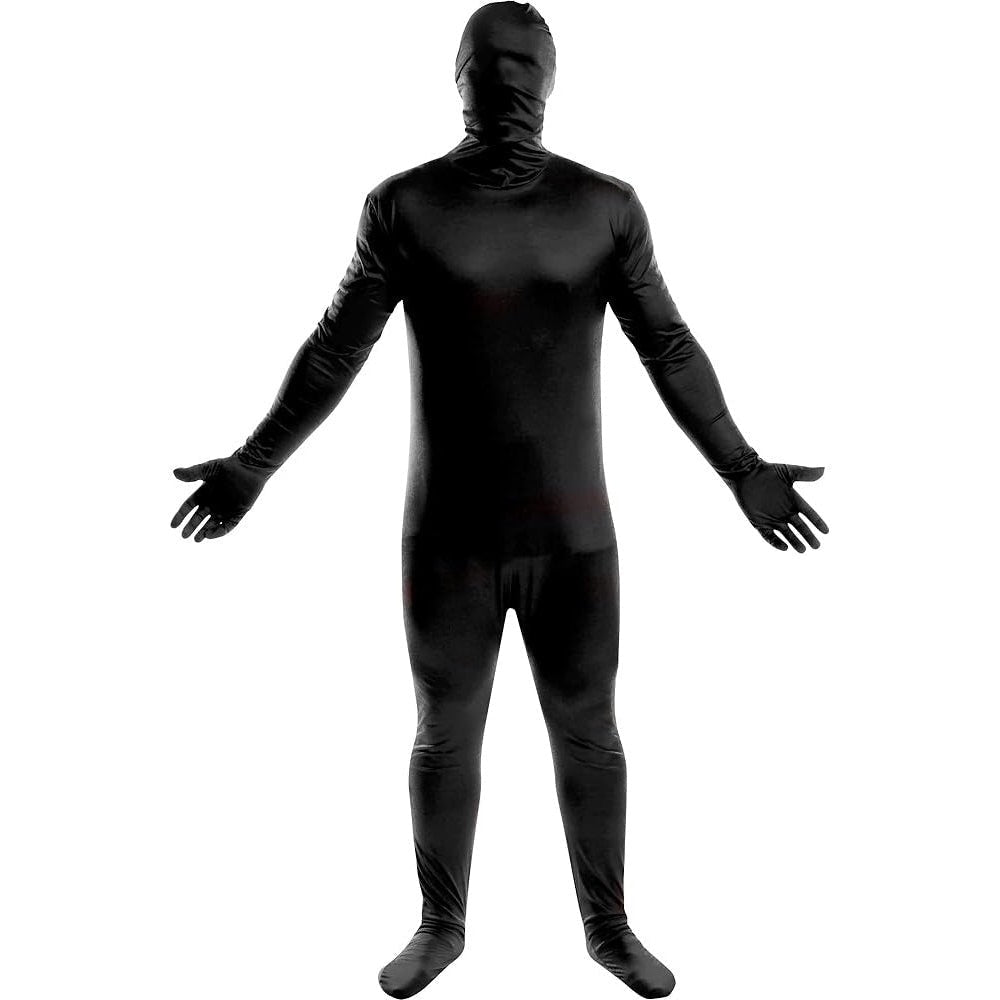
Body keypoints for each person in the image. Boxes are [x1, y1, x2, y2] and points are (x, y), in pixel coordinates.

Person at [170, 3, 829, 996]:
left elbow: (669, 346)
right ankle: (440, 925)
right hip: (448, 541)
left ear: (552, 79)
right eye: (487, 62)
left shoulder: (605, 207)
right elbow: (336, 347)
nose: (505, 79)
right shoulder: (405, 207)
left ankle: (608, 927)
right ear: (456, 77)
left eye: (523, 63)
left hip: (575, 538)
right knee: (445, 731)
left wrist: (741, 467)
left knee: (589, 731)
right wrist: (255, 463)